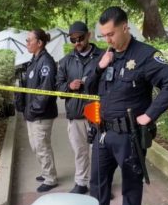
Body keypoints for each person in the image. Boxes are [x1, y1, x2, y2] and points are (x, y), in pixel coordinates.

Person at [85, 7, 168, 205]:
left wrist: (149, 115)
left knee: (131, 181)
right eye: (104, 35)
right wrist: (99, 67)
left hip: (129, 135)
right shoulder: (107, 56)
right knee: (97, 179)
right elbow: (89, 89)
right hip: (103, 132)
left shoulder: (145, 55)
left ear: (125, 27)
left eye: (111, 34)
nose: (108, 39)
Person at [56, 21, 103, 194]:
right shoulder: (65, 61)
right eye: (73, 40)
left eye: (80, 38)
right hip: (75, 114)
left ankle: (100, 184)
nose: (77, 43)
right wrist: (70, 86)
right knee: (80, 151)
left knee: (100, 153)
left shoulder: (103, 57)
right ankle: (81, 183)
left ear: (89, 35)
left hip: (97, 113)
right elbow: (58, 89)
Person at [17, 29, 59, 192]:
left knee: (42, 147)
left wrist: (32, 110)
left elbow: (45, 92)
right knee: (36, 146)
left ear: (39, 43)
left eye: (29, 40)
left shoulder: (46, 62)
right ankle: (46, 171)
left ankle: (50, 178)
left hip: (41, 114)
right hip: (32, 113)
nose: (26, 43)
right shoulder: (34, 60)